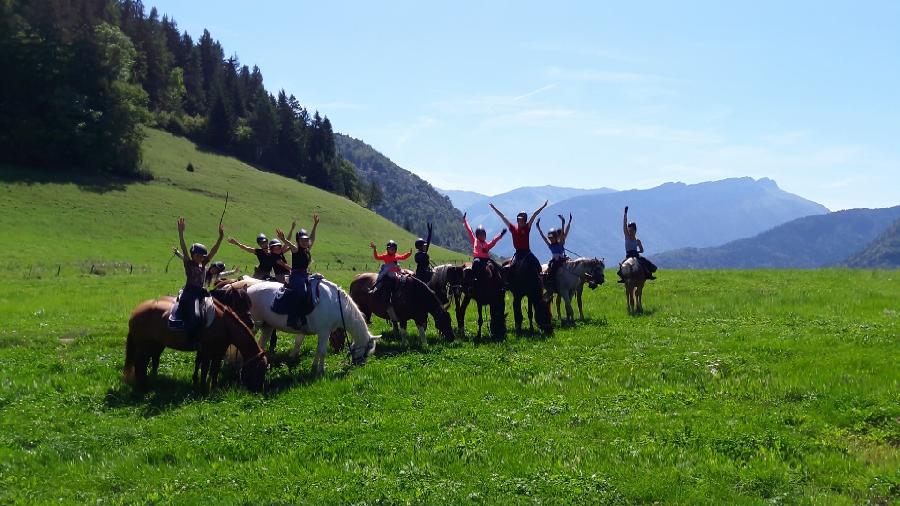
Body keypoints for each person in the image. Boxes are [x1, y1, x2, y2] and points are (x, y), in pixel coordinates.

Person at [176, 217, 224, 342]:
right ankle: (191, 338)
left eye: (202, 256)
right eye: (197, 255)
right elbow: (184, 249)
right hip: (190, 293)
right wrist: (181, 233)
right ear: (192, 255)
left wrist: (220, 237)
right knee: (196, 315)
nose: (200, 258)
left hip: (201, 291)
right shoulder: (189, 264)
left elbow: (214, 251)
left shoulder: (203, 264)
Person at [276, 214, 319, 328]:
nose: (305, 242)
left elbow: (312, 238)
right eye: (302, 240)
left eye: (306, 240)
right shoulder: (295, 249)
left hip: (305, 275)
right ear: (298, 241)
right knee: (301, 291)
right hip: (295, 276)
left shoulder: (307, 250)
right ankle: (292, 318)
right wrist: (283, 239)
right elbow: (289, 244)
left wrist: (315, 224)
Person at [489, 200, 547, 275]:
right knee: (510, 269)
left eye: (522, 219)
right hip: (518, 253)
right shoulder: (513, 228)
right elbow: (502, 216)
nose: (520, 220)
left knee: (538, 266)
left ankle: (540, 282)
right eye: (519, 219)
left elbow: (534, 215)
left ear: (525, 220)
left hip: (527, 252)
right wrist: (494, 208)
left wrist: (543, 206)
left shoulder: (527, 227)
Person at [463, 212, 506, 283]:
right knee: (476, 263)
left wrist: (500, 234)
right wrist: (465, 220)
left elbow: (493, 241)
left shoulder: (486, 244)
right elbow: (469, 230)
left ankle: (502, 282)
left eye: (483, 234)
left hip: (486, 260)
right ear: (477, 235)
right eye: (480, 234)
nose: (482, 236)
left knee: (498, 266)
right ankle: (473, 279)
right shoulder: (475, 240)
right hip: (478, 259)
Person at [618, 206, 657, 282]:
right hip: (629, 255)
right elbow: (624, 224)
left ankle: (649, 275)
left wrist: (637, 252)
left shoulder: (638, 240)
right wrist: (625, 214)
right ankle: (623, 278)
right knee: (622, 266)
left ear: (635, 230)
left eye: (631, 230)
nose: (630, 231)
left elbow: (642, 250)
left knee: (645, 263)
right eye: (629, 230)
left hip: (635, 255)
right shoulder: (627, 236)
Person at [536, 213, 572, 295]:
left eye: (552, 238)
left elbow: (563, 234)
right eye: (550, 239)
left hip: (562, 260)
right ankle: (550, 283)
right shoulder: (550, 245)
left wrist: (563, 222)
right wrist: (538, 227)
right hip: (554, 261)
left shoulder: (560, 243)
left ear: (556, 237)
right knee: (550, 270)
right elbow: (543, 237)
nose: (551, 240)